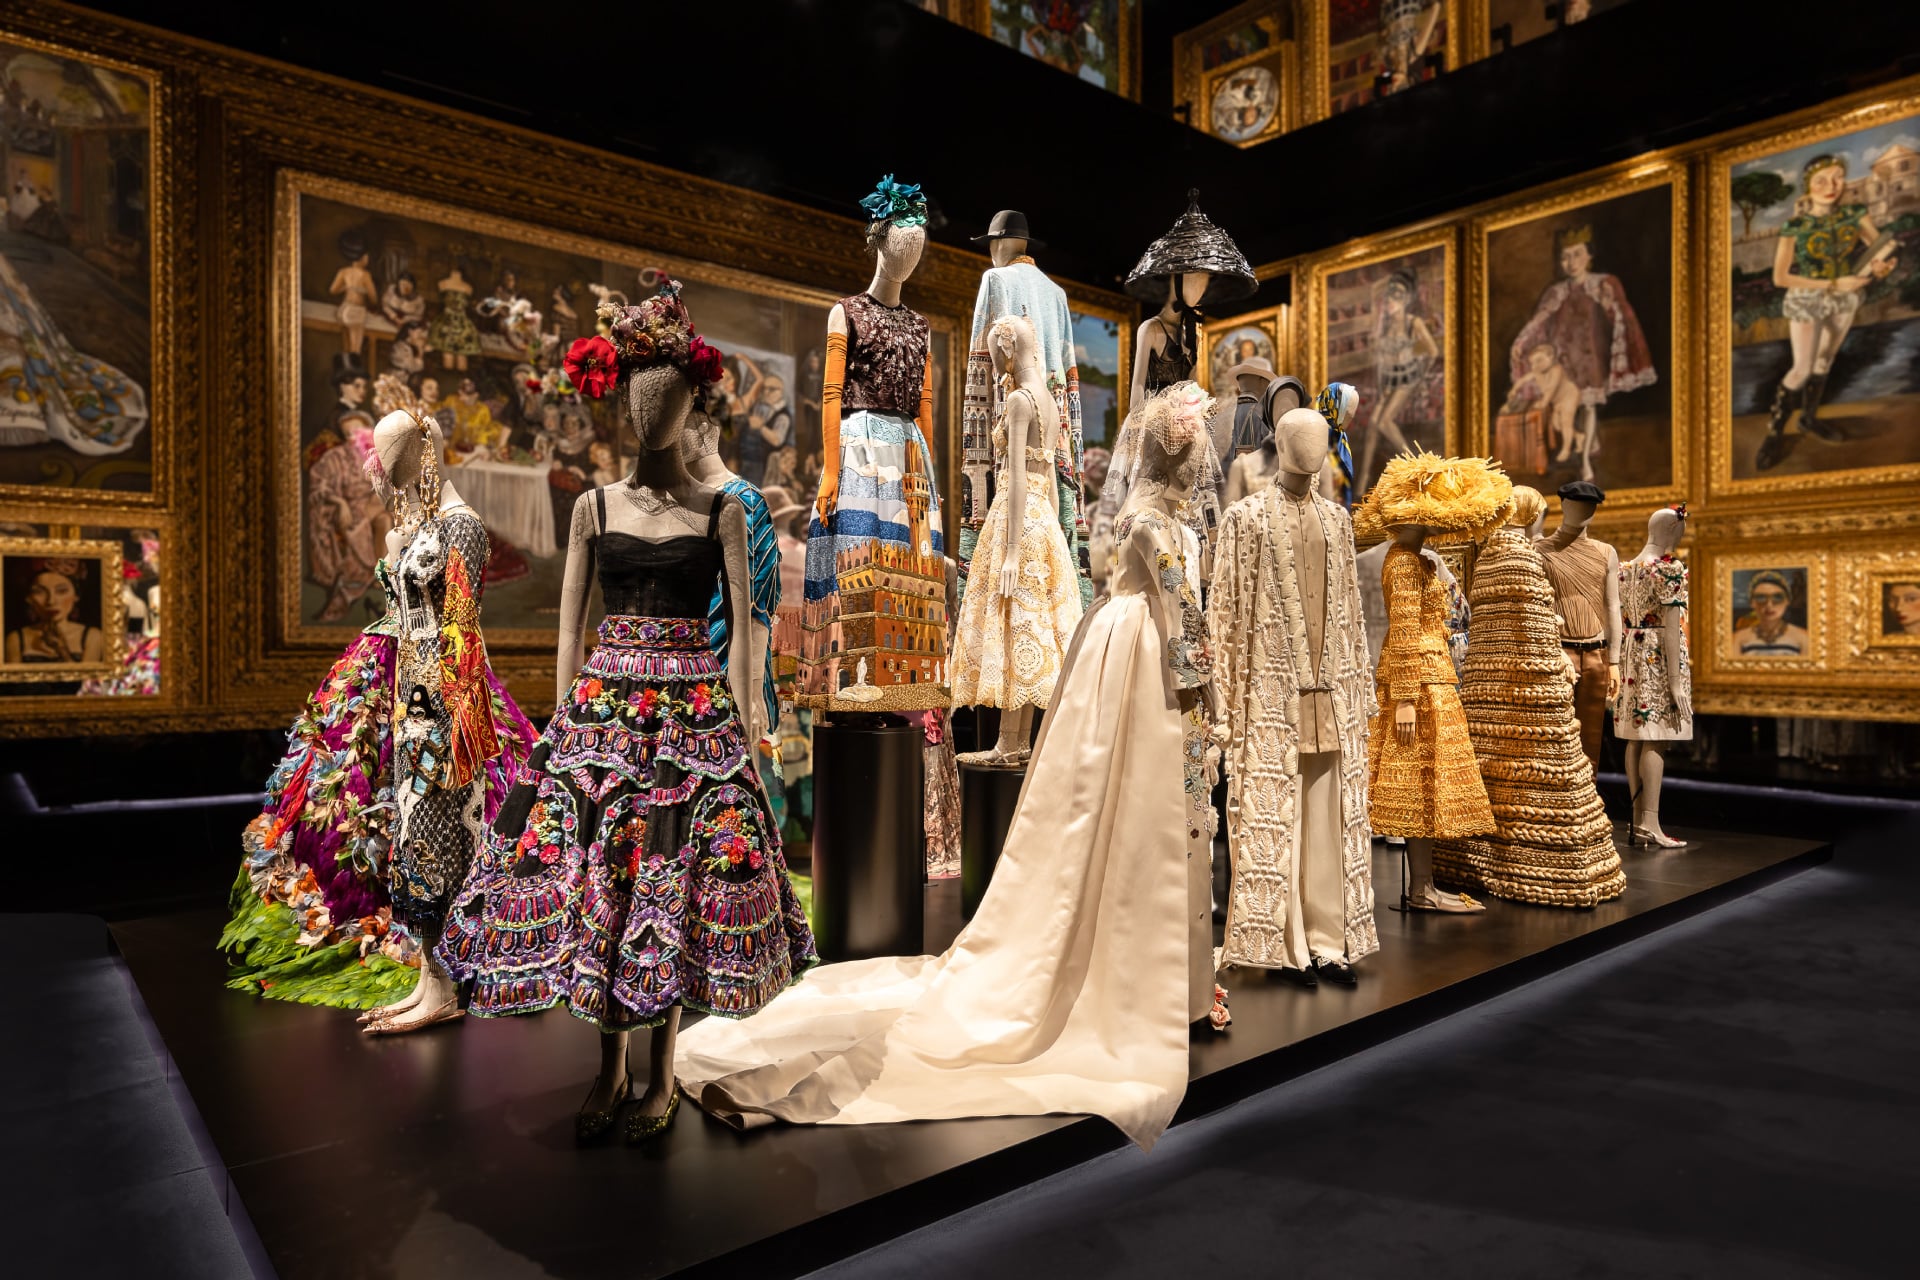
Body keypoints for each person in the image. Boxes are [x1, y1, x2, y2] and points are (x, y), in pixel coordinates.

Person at [674, 383, 1230, 1153]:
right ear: (1179, 453)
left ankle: (1184, 982)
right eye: (1198, 449)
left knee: (1166, 817)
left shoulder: (1168, 520)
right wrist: (1209, 688)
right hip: (1146, 662)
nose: (1204, 462)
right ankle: (1141, 982)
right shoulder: (1150, 524)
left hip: (1149, 662)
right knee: (1138, 813)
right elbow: (1183, 615)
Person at [1754, 153, 1901, 471]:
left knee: (1824, 361)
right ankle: (1774, 434)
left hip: (1843, 297)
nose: (1831, 186)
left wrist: (1881, 267)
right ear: (1808, 187)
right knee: (1802, 368)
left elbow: (1879, 248)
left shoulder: (1853, 214)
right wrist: (1834, 283)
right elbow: (1780, 278)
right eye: (1821, 180)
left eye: (1837, 177)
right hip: (1809, 297)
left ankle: (1808, 419)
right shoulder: (1795, 226)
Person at [1507, 225, 1656, 483]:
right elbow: (1540, 319)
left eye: (1577, 254)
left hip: (1590, 355)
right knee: (1565, 409)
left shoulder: (1603, 284)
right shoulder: (1557, 291)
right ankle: (1586, 440)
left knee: (1588, 405)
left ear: (1589, 255)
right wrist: (1521, 341)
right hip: (1565, 355)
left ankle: (1585, 460)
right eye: (1565, 257)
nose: (1571, 262)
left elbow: (1621, 316)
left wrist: (1609, 306)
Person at [1359, 271, 1439, 493]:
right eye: (1389, 299)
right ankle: (1362, 482)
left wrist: (1423, 375)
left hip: (1408, 378)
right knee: (1372, 425)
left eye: (1397, 299)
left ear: (1405, 300)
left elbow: (1433, 351)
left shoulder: (1413, 323)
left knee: (1384, 421)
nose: (1391, 304)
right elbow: (1380, 358)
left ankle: (1416, 466)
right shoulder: (1384, 326)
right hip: (1389, 380)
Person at [5, 559, 104, 665]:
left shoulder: (92, 636)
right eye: (39, 591)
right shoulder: (16, 638)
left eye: (62, 591)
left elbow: (88, 676)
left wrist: (62, 651)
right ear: (29, 598)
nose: (51, 601)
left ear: (76, 596)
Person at [1732, 570, 1809, 656]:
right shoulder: (1738, 639)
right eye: (1761, 598)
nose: (1769, 605)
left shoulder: (1804, 638)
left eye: (1778, 597)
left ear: (1787, 601)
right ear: (1752, 603)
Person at [330, 237, 377, 357]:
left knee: (346, 347)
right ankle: (352, 368)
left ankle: (345, 366)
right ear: (362, 257)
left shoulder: (343, 272)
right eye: (366, 256)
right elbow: (373, 297)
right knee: (355, 350)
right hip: (356, 311)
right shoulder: (365, 275)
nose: (367, 259)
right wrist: (367, 296)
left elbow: (333, 290)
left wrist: (348, 287)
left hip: (343, 309)